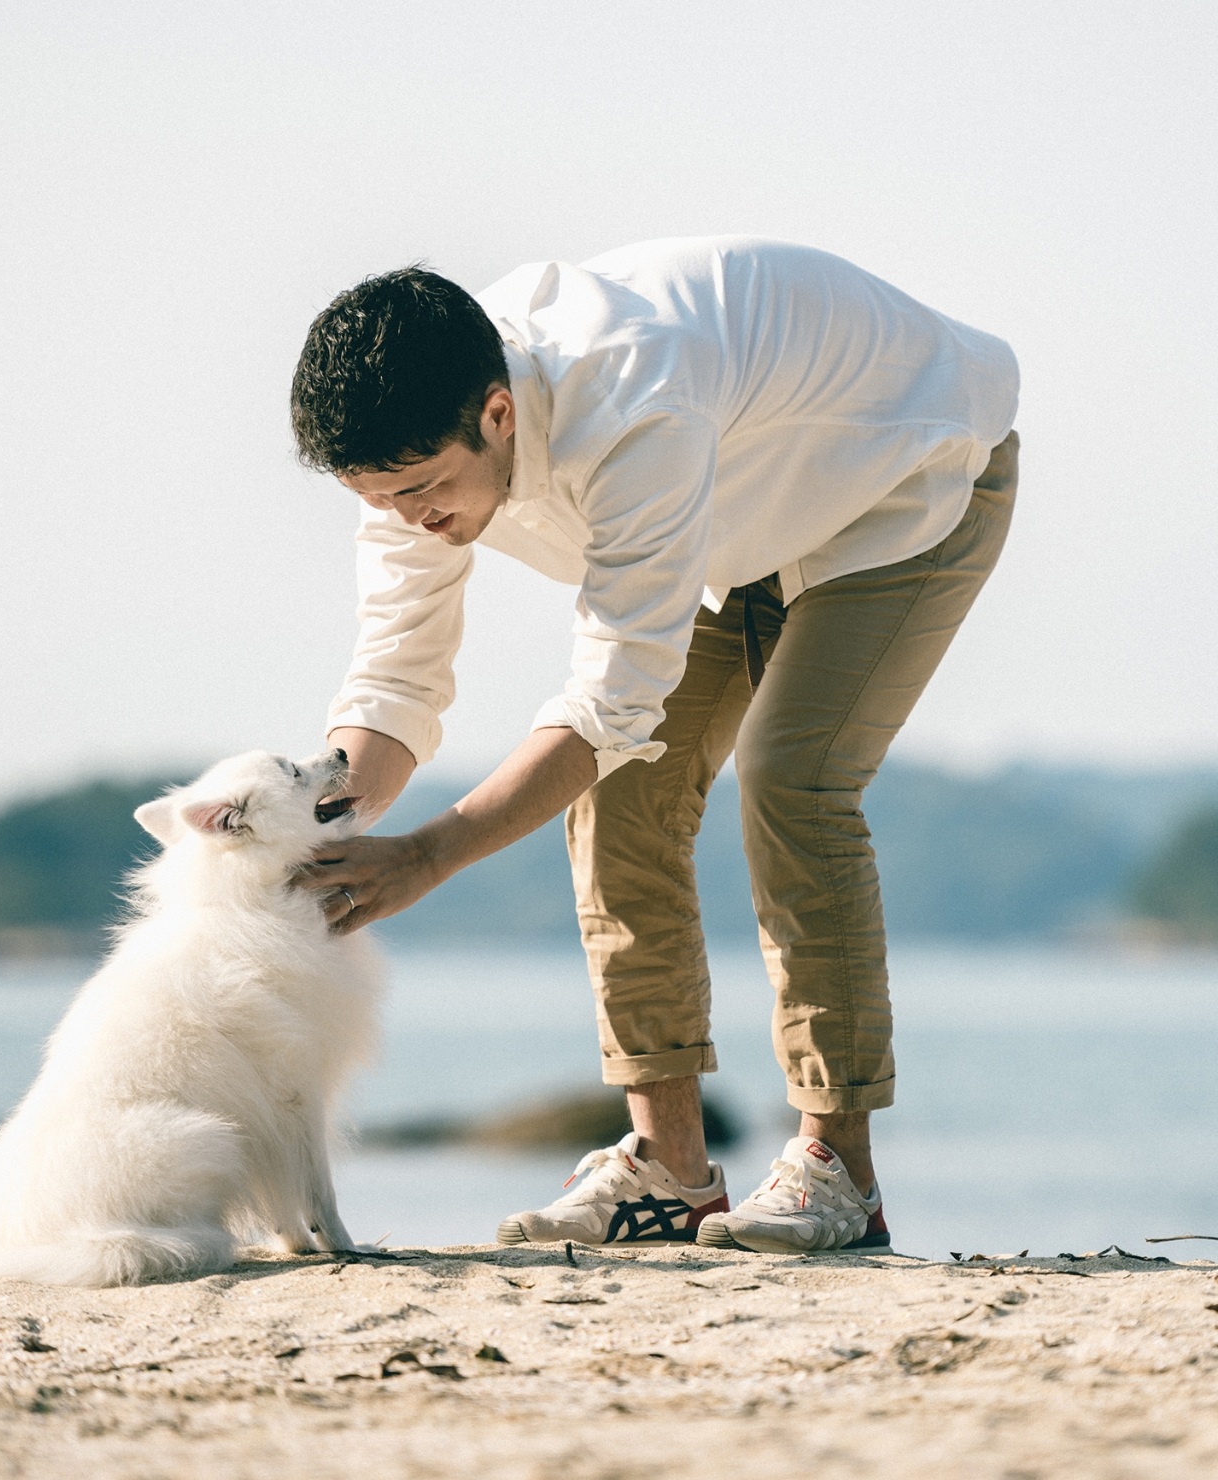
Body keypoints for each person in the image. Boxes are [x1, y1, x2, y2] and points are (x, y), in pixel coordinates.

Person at [291, 237, 1019, 1253]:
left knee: (790, 777)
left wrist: (424, 855)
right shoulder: (412, 450)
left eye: (422, 488)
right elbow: (394, 682)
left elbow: (608, 703)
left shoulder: (632, 394)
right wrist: (305, 836)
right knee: (616, 796)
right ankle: (668, 1169)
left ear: (495, 413)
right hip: (733, 524)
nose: (413, 519)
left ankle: (836, 1171)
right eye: (381, 502)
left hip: (906, 479)